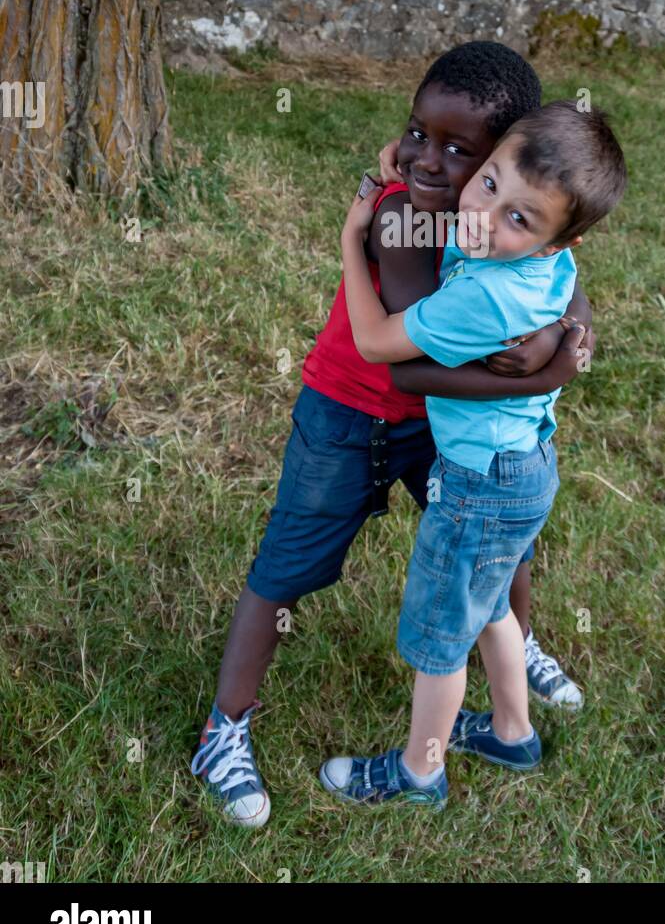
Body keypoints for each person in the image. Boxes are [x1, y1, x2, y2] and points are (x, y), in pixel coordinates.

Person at [191, 44, 594, 826]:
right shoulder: (403, 214)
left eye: (457, 149)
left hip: (455, 430)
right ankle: (224, 728)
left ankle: (518, 649)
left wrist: (570, 330)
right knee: (288, 565)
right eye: (417, 132)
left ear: (512, 161)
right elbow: (404, 360)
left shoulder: (515, 216)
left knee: (498, 550)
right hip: (350, 412)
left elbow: (567, 274)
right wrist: (545, 371)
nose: (425, 157)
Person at [319, 99, 626, 808]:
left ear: (555, 244)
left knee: (439, 635)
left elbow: (376, 344)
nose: (485, 217)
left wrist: (350, 239)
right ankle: (512, 730)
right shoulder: (543, 261)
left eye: (518, 217)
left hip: (479, 480)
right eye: (487, 182)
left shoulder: (482, 301)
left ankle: (419, 771)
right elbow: (492, 209)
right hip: (523, 468)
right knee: (487, 602)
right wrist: (407, 160)